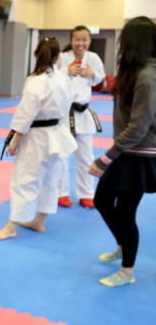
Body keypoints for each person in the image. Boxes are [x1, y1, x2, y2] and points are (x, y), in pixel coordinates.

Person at [89, 16, 156, 287]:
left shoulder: (148, 77)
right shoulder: (135, 71)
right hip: (126, 152)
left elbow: (138, 129)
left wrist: (104, 159)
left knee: (127, 213)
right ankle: (122, 245)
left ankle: (127, 271)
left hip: (140, 155)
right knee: (102, 201)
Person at [0, 37, 76, 240]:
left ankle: (11, 227)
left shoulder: (36, 81)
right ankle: (40, 221)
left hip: (38, 138)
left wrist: (15, 142)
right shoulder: (64, 78)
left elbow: (26, 115)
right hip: (57, 134)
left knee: (24, 180)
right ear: (58, 57)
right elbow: (66, 107)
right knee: (50, 179)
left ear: (36, 54)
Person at [57, 25, 105, 209]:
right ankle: (61, 193)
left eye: (84, 39)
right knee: (61, 156)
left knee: (85, 155)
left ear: (89, 41)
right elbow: (51, 77)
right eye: (77, 39)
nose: (81, 43)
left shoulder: (93, 58)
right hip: (63, 113)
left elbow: (100, 78)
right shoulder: (62, 58)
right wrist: (65, 72)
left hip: (83, 113)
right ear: (71, 40)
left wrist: (94, 75)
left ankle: (86, 194)